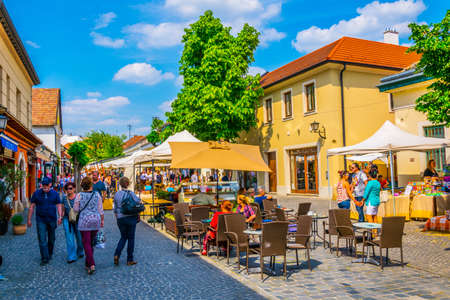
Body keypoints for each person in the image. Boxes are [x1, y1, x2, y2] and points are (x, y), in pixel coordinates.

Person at [27, 177, 63, 266]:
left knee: (51, 239)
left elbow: (58, 205)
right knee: (42, 239)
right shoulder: (36, 193)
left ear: (50, 185)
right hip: (41, 219)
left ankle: (49, 253)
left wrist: (60, 216)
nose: (45, 187)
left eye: (47, 185)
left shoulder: (55, 194)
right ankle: (45, 258)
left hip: (52, 219)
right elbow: (32, 206)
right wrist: (29, 219)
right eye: (43, 185)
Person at [73, 176, 104, 275]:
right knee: (91, 243)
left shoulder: (79, 196)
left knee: (86, 243)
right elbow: (100, 210)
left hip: (84, 221)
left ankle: (91, 264)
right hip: (96, 220)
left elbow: (75, 209)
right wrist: (102, 220)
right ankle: (87, 263)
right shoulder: (97, 195)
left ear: (82, 185)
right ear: (91, 185)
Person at [113, 176, 141, 266]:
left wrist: (117, 217)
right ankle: (129, 259)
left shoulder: (117, 194)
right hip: (131, 217)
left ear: (120, 184)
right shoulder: (131, 193)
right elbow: (138, 202)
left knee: (123, 237)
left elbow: (115, 207)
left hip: (121, 218)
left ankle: (117, 254)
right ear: (128, 184)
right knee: (131, 238)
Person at [62, 182, 84, 263]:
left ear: (74, 189)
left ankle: (80, 251)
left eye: (70, 188)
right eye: (67, 189)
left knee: (80, 238)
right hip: (67, 220)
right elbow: (63, 208)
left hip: (78, 220)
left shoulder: (79, 197)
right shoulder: (64, 198)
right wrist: (61, 217)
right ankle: (72, 256)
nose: (69, 190)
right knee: (69, 239)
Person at [362, 167, 381, 235]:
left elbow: (366, 192)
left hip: (371, 201)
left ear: (370, 175)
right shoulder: (378, 183)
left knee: (369, 216)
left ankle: (372, 233)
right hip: (376, 201)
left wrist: (362, 200)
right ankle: (375, 232)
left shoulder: (370, 183)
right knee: (374, 216)